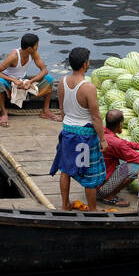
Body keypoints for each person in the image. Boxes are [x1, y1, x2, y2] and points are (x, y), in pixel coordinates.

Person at [49, 47, 106, 212]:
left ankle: (65, 204)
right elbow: (96, 117)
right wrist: (102, 139)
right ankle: (93, 211)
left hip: (68, 131)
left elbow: (62, 109)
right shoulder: (88, 87)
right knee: (90, 174)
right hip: (85, 136)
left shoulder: (62, 81)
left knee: (65, 169)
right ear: (85, 64)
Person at [0, 33, 55, 126]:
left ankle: (45, 111)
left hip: (24, 81)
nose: (38, 47)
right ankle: (4, 113)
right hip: (10, 82)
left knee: (49, 79)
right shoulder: (14, 56)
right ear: (29, 48)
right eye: (36, 45)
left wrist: (30, 81)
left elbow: (44, 70)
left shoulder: (33, 53)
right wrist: (13, 80)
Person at [98, 110, 139, 205]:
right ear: (120, 124)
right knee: (137, 167)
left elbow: (123, 143)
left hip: (93, 182)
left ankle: (109, 189)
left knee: (122, 160)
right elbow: (138, 158)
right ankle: (109, 196)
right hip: (101, 188)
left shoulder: (102, 132)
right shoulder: (116, 143)